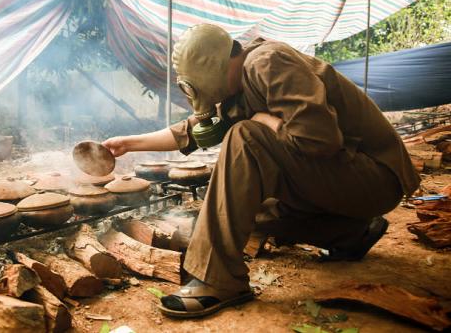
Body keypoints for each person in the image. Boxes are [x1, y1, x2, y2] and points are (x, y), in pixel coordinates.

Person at [103, 23, 419, 318]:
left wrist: (261, 122)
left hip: (376, 176)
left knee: (245, 135)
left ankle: (218, 280)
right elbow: (191, 132)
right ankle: (352, 233)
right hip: (349, 181)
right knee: (241, 211)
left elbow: (320, 138)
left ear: (215, 69)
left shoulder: (266, 62)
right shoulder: (236, 85)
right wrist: (130, 144)